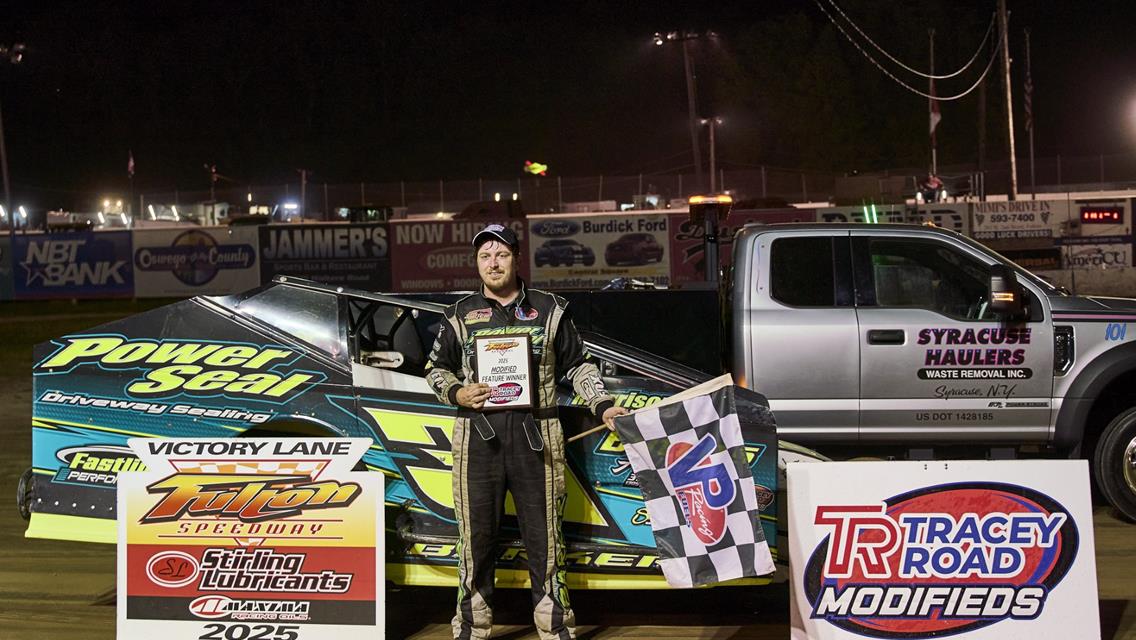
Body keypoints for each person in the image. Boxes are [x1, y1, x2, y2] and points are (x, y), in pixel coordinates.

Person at [424, 223, 628, 640]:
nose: (493, 263)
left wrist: (603, 405)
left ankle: (554, 628)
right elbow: (434, 369)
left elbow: (579, 366)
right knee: (475, 540)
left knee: (546, 539)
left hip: (539, 436)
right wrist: (458, 392)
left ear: (516, 258)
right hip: (476, 438)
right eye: (484, 256)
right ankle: (471, 628)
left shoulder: (551, 308)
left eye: (500, 254)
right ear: (476, 263)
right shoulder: (459, 314)